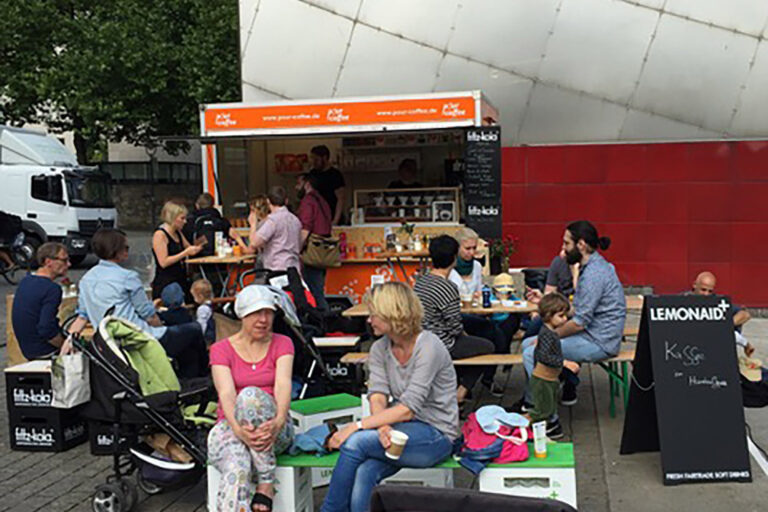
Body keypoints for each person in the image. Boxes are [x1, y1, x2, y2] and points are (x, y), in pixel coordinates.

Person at [321, 282, 458, 512]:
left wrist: (356, 426)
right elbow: (377, 394)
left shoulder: (429, 346)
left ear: (392, 313)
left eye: (374, 314)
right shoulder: (380, 348)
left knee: (355, 442)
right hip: (400, 430)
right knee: (365, 470)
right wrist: (382, 426)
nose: (369, 320)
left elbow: (407, 409)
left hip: (437, 434)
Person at [76, 228, 209, 378]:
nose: (128, 251)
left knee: (181, 331)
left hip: (110, 342)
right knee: (194, 329)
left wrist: (69, 341)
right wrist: (163, 328)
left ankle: (185, 376)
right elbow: (149, 317)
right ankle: (199, 377)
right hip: (139, 339)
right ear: (116, 251)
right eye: (126, 247)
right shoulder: (127, 277)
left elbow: (82, 317)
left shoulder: (86, 279)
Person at [208, 285, 295, 512]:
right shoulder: (220, 349)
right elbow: (226, 393)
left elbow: (283, 384)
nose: (263, 320)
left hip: (273, 428)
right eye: (256, 313)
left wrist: (278, 421)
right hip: (231, 426)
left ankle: (266, 479)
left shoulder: (283, 343)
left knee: (250, 396)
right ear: (242, 315)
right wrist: (239, 430)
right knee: (237, 468)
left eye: (268, 313)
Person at [522, 221, 626, 409]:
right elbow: (577, 309)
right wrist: (544, 300)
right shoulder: (594, 267)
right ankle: (537, 400)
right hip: (594, 335)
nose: (563, 248)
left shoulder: (594, 274)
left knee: (531, 352)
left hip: (600, 342)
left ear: (581, 245)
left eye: (566, 243)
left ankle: (544, 412)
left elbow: (579, 322)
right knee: (527, 344)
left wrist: (550, 337)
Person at [413, 235, 494, 403]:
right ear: (453, 258)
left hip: (422, 339)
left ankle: (454, 385)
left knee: (471, 340)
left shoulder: (421, 282)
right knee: (488, 346)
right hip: (443, 343)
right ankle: (461, 392)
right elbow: (455, 328)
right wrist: (465, 335)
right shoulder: (448, 287)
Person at [449, 228, 520, 394]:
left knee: (510, 322)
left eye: (474, 248)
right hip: (460, 316)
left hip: (478, 313)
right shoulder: (450, 269)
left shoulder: (476, 266)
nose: (471, 252)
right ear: (457, 248)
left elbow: (479, 288)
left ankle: (486, 377)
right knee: (492, 334)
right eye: (467, 248)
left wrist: (480, 294)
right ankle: (496, 363)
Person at [12, 242, 86, 359]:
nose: (69, 264)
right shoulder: (52, 289)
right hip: (45, 350)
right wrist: (66, 346)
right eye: (64, 260)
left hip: (27, 349)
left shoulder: (26, 281)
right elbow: (46, 330)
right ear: (48, 262)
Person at [524, 292, 577, 438]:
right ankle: (526, 428)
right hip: (544, 378)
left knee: (547, 406)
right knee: (542, 410)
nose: (565, 319)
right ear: (548, 315)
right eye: (561, 316)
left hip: (549, 377)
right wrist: (564, 363)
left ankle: (545, 429)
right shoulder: (548, 334)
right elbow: (543, 356)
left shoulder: (549, 332)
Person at [689, 271, 754, 354]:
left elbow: (745, 314)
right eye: (703, 290)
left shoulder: (717, 302)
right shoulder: (681, 301)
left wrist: (724, 325)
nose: (706, 294)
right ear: (694, 285)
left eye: (710, 291)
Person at [151, 201, 202, 301]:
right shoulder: (160, 235)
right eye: (182, 218)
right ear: (172, 218)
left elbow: (188, 247)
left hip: (180, 278)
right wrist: (185, 253)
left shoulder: (178, 233)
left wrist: (199, 246)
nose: (185, 222)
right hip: (166, 281)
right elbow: (163, 262)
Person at [523, 249, 579, 339]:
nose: (561, 253)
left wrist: (575, 274)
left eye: (567, 244)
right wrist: (543, 299)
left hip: (575, 316)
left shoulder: (590, 270)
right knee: (535, 325)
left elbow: (580, 309)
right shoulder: (559, 262)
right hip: (558, 310)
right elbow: (549, 293)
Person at [296, 173, 332, 311]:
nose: (296, 187)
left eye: (298, 183)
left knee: (314, 291)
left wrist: (296, 250)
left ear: (307, 184)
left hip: (312, 251)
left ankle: (324, 319)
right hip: (324, 250)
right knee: (318, 288)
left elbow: (306, 229)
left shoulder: (308, 202)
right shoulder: (322, 200)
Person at [248, 186, 302, 272]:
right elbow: (300, 244)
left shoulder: (272, 221)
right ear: (286, 201)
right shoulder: (295, 220)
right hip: (295, 269)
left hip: (277, 270)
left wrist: (253, 224)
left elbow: (254, 243)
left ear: (268, 201)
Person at [183, 193, 248, 255]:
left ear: (197, 205)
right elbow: (233, 233)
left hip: (198, 256)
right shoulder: (221, 220)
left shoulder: (191, 221)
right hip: (219, 254)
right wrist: (244, 247)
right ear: (213, 205)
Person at [309, 145, 345, 225]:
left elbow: (341, 199)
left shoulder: (335, 175)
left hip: (332, 217)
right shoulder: (312, 174)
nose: (313, 162)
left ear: (324, 158)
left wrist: (335, 221)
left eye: (316, 159)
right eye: (312, 159)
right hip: (316, 219)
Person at [191, 278, 215, 345]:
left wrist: (197, 336)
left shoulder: (202, 309)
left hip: (206, 337)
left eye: (194, 297)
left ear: (200, 296)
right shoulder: (210, 305)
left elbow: (202, 324)